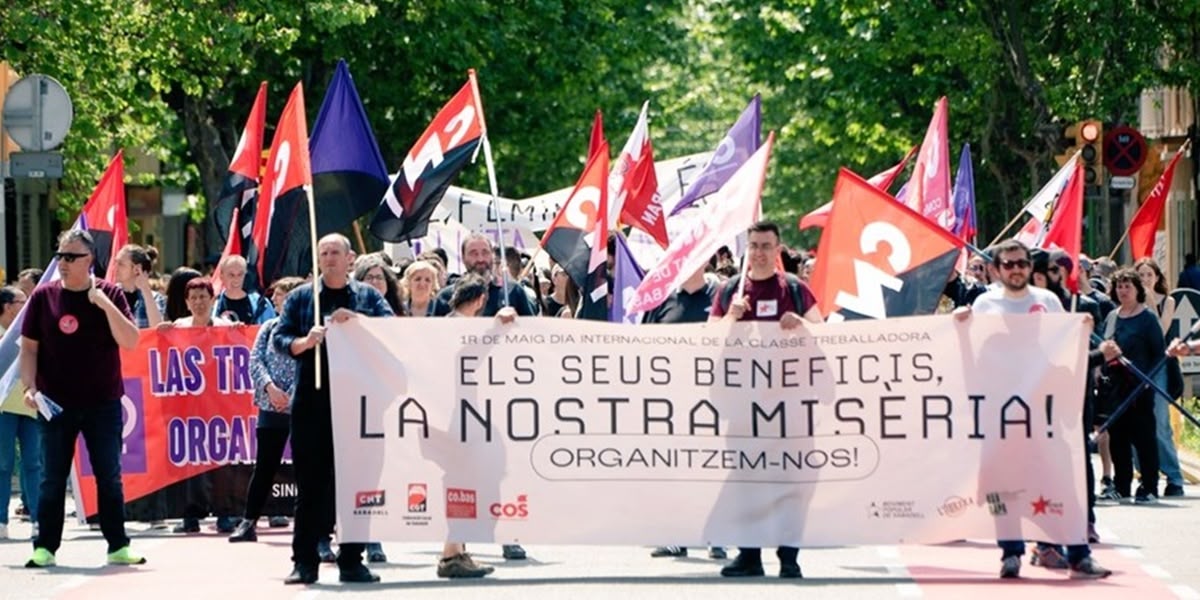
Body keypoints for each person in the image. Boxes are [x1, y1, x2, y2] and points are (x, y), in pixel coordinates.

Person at [958, 239, 1111, 579]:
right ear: (997, 269)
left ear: (1030, 267)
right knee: (1002, 485)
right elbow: (969, 350)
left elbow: (1063, 347)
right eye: (1009, 264)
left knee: (1062, 479)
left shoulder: (1047, 300)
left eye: (1021, 263)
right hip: (1001, 410)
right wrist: (958, 325)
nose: (1016, 269)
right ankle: (1010, 552)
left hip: (1044, 408)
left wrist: (1081, 330)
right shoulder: (984, 304)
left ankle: (1078, 553)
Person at [20, 230, 145, 568]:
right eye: (59, 256)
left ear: (89, 260)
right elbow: (29, 349)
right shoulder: (44, 297)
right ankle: (44, 546)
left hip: (102, 403)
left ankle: (117, 545)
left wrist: (104, 305)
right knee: (52, 478)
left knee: (108, 475)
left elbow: (131, 340)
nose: (62, 263)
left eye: (70, 257)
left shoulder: (110, 293)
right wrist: (29, 387)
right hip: (55, 404)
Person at [274, 234, 393, 585]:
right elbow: (279, 339)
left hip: (358, 404)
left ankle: (352, 559)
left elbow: (392, 333)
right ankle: (304, 561)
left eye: (335, 253)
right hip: (311, 404)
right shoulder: (300, 298)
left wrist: (357, 321)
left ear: (349, 258)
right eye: (323, 253)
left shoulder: (368, 297)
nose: (328, 259)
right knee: (310, 485)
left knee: (357, 483)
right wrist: (303, 342)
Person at [709, 221, 821, 579]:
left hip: (791, 406)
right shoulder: (729, 291)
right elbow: (706, 340)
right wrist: (732, 317)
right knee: (747, 482)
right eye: (753, 245)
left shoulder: (795, 290)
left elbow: (829, 334)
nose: (758, 252)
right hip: (744, 407)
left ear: (778, 250)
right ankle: (749, 554)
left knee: (792, 482)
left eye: (765, 245)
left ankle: (789, 557)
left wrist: (802, 325)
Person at [433, 274, 517, 578]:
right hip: (454, 419)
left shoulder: (448, 325)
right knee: (462, 483)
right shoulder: (455, 328)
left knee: (466, 482)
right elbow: (467, 361)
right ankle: (451, 553)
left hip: (461, 417)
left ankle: (456, 550)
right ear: (481, 300)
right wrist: (495, 331)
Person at [643, 265, 726, 561]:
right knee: (673, 469)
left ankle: (717, 535)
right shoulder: (662, 300)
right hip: (671, 403)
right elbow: (642, 347)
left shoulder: (723, 296)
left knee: (712, 470)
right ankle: (676, 535)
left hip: (713, 400)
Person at [229, 277, 305, 544]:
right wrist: (270, 388)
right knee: (264, 466)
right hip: (270, 407)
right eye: (276, 297)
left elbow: (311, 363)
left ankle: (311, 525)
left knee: (307, 468)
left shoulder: (307, 330)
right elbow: (255, 360)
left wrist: (295, 394)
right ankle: (248, 521)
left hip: (302, 407)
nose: (276, 300)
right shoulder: (269, 328)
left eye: (282, 295)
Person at [1101, 268, 1166, 504]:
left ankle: (1149, 486)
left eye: (1128, 286)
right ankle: (1121, 484)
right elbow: (1104, 347)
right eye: (1119, 286)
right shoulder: (1112, 317)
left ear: (1138, 289)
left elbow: (1160, 353)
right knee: (1118, 438)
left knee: (1144, 438)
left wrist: (1149, 381)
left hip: (1140, 387)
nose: (1123, 290)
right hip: (1115, 389)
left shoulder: (1147, 318)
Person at [0, 286, 39, 541]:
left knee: (34, 465)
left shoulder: (32, 331)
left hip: (31, 405)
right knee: (3, 465)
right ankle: (1, 521)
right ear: (6, 306)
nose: (26, 305)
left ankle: (39, 519)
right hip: (3, 408)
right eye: (20, 301)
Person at [431, 234, 536, 317]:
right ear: (463, 258)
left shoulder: (513, 291)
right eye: (473, 253)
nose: (480, 259)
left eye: (485, 252)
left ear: (492, 255)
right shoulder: (446, 296)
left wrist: (516, 321)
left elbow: (532, 333)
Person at [214, 255, 275, 324]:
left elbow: (272, 330)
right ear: (221, 276)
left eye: (240, 274)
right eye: (231, 275)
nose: (236, 279)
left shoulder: (262, 304)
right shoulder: (212, 304)